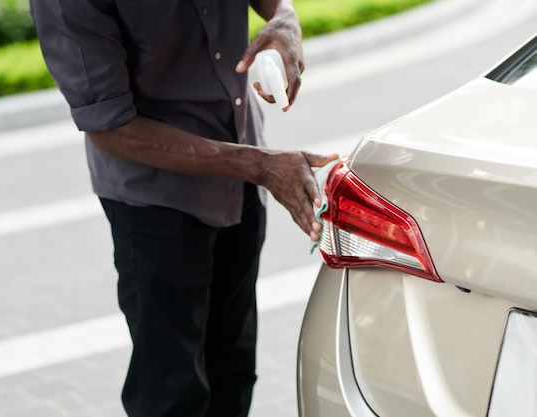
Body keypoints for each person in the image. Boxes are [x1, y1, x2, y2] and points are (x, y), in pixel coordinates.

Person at [29, 1, 338, 416]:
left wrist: (284, 18)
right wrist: (260, 166)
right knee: (171, 391)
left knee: (233, 367)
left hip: (244, 171)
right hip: (157, 203)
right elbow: (112, 128)